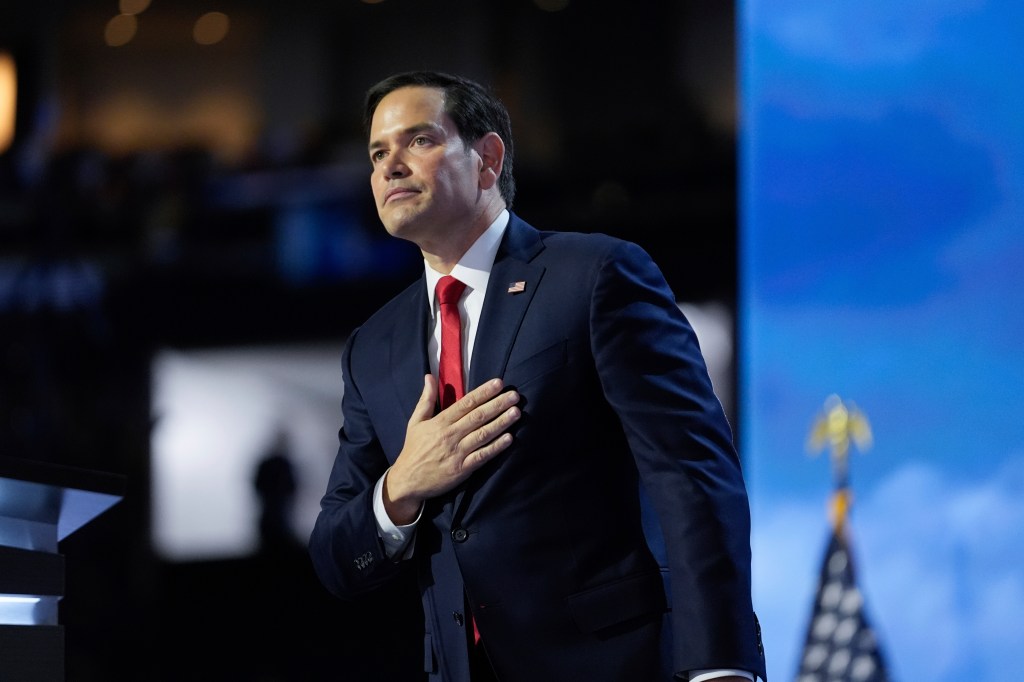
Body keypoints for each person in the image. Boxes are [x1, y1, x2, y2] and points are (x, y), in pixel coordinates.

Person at [308, 70, 766, 682]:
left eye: (417, 140)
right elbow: (337, 557)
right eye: (377, 153)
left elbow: (691, 475)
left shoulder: (595, 276)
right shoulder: (373, 348)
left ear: (488, 158)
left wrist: (720, 667)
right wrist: (401, 489)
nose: (390, 166)